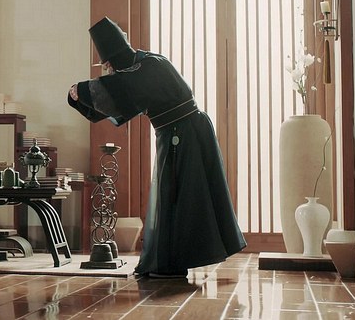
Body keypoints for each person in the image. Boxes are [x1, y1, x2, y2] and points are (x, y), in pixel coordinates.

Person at [68, 17, 246, 278]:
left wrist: (82, 90)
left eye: (108, 64)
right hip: (176, 132)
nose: (108, 70)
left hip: (184, 133)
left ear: (115, 57)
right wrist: (81, 96)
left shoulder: (148, 66)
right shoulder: (141, 65)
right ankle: (170, 262)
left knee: (180, 196)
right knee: (172, 196)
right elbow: (121, 94)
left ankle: (171, 262)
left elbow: (122, 88)